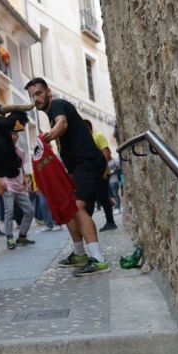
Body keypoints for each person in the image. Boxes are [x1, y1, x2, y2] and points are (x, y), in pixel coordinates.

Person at [26, 77, 109, 276]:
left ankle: (99, 259)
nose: (35, 99)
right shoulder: (51, 112)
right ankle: (80, 254)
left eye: (38, 93)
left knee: (77, 208)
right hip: (78, 167)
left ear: (48, 92)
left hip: (87, 164)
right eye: (32, 96)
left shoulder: (58, 106)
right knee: (69, 208)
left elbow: (62, 124)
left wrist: (49, 136)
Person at [0, 130, 36, 249]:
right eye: (11, 134)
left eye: (15, 134)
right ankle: (9, 238)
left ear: (18, 137)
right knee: (9, 212)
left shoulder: (21, 152)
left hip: (20, 186)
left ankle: (22, 236)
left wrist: (25, 179)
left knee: (30, 210)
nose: (13, 136)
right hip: (8, 185)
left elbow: (22, 168)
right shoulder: (2, 152)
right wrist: (1, 181)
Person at [84, 119, 117, 232]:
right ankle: (108, 222)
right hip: (95, 175)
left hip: (102, 174)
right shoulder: (87, 140)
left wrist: (103, 172)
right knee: (100, 198)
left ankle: (110, 222)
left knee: (102, 198)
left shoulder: (98, 136)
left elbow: (106, 153)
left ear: (88, 128)